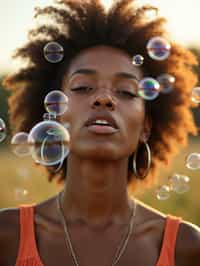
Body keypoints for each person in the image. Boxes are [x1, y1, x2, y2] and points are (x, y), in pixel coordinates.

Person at [1, 0, 200, 265]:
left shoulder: (187, 247)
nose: (104, 99)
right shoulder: (6, 237)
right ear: (55, 113)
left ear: (145, 127)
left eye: (126, 91)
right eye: (83, 87)